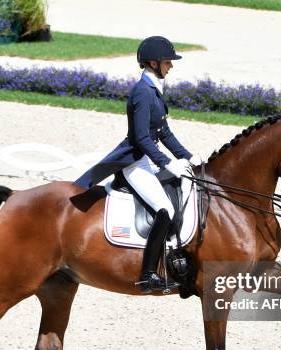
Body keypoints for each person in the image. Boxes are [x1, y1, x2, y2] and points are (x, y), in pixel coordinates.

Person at [75, 35, 201, 294]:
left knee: (182, 187)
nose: (171, 66)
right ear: (153, 63)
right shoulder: (143, 92)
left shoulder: (154, 88)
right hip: (134, 162)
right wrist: (166, 161)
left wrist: (188, 157)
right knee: (164, 208)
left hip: (146, 159)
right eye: (168, 62)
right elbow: (143, 138)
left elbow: (163, 132)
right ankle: (148, 274)